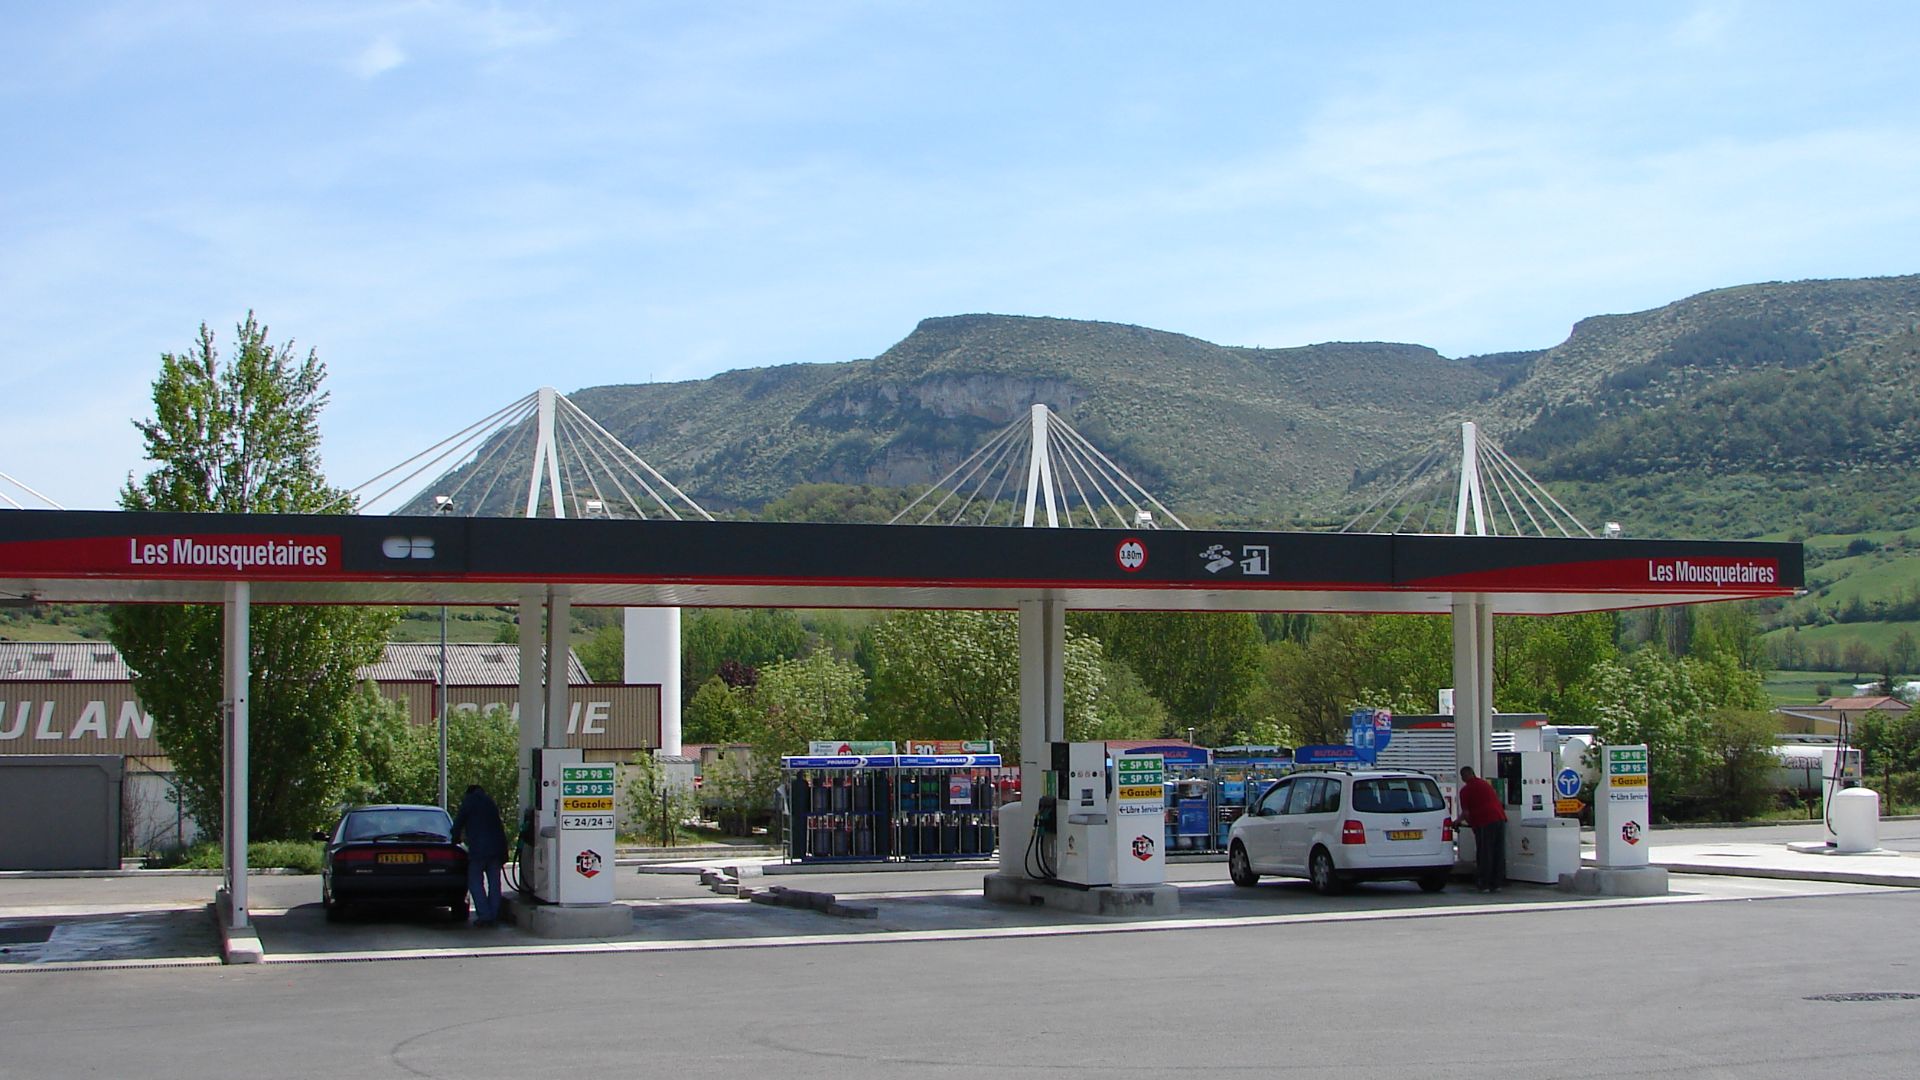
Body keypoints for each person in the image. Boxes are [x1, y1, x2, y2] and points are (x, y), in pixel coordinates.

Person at [450, 783, 508, 926]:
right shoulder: (490, 802)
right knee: (495, 883)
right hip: (496, 850)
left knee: (475, 882)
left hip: (478, 850)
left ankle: (484, 915)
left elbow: (458, 823)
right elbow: (499, 827)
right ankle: (493, 915)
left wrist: (454, 839)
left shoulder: (469, 802)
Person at [1456, 766, 1508, 893]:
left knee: (1485, 853)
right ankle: (1497, 883)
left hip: (1485, 821)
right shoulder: (1485, 784)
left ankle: (1484, 883)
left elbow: (1466, 813)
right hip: (1499, 819)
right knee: (1498, 852)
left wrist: (1457, 822)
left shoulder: (1465, 790)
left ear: (1463, 777)